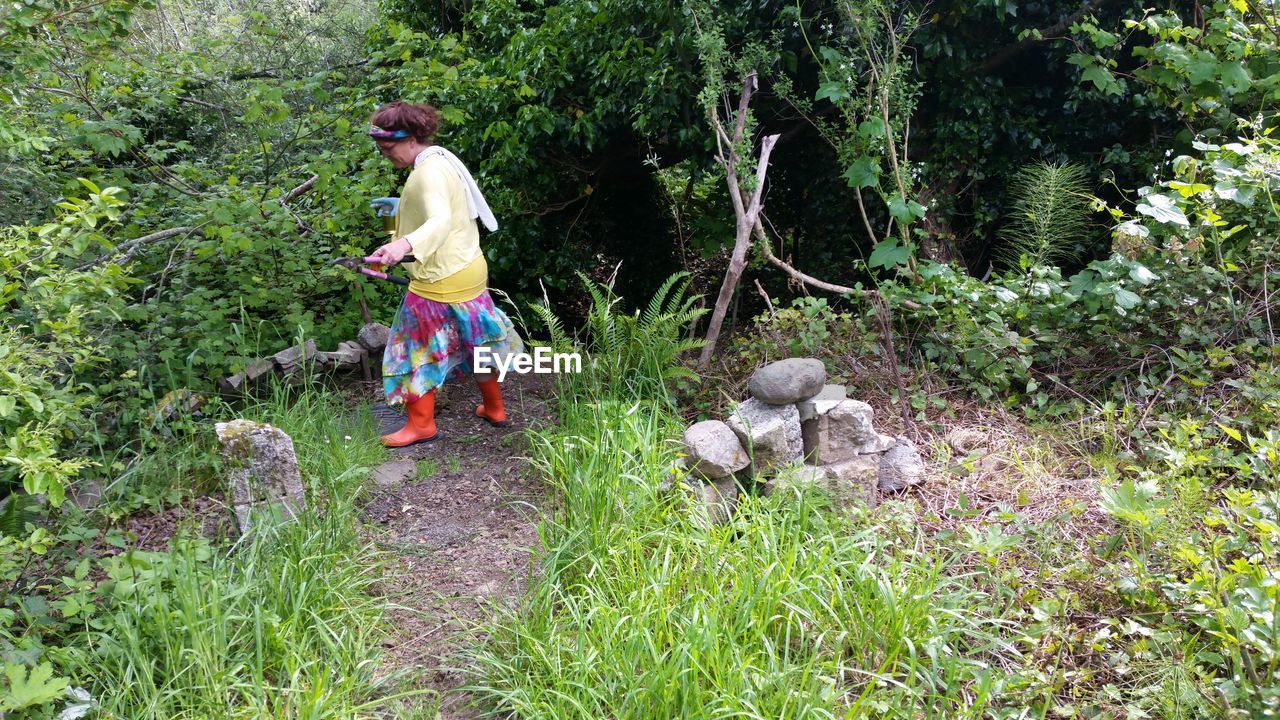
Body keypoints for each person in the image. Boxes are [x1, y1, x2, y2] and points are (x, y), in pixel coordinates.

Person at [365, 100, 523, 447]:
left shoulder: (427, 173)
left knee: (411, 350)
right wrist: (396, 237)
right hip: (468, 270)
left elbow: (440, 220)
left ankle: (421, 425)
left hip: (439, 280)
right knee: (477, 342)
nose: (384, 154)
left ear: (410, 139)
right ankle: (494, 409)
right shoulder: (440, 160)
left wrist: (401, 247)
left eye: (388, 148)